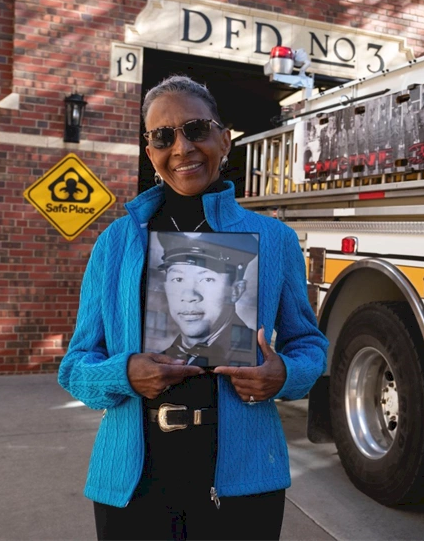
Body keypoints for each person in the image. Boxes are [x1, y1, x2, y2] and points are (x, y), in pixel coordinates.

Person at [58, 74, 328, 540]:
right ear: (150, 153)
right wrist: (123, 374)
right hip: (133, 484)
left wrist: (284, 375)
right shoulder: (117, 244)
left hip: (243, 483)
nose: (181, 148)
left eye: (196, 130)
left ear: (224, 139)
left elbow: (309, 344)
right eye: (163, 137)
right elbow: (75, 367)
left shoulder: (275, 240)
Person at [154, 232, 255, 368]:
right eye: (178, 279)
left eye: (207, 280)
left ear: (235, 291)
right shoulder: (160, 358)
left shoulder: (253, 353)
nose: (189, 296)